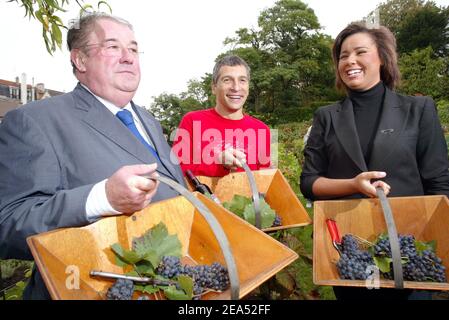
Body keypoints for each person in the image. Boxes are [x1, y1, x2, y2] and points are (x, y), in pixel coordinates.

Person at [0, 13, 185, 299]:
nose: (128, 57)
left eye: (133, 48)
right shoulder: (34, 120)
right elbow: (9, 225)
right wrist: (102, 199)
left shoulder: (148, 119)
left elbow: (170, 186)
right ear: (80, 60)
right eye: (112, 47)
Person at [300, 22, 449, 299]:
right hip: (350, 249)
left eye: (360, 52)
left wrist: (435, 245)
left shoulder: (418, 110)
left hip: (409, 248)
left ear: (382, 57)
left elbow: (439, 183)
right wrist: (353, 184)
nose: (350, 61)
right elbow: (309, 183)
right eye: (343, 56)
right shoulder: (326, 117)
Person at [171, 55, 271, 177]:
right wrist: (218, 163)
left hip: (246, 197)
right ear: (214, 87)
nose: (236, 87)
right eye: (227, 80)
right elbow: (176, 171)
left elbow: (264, 181)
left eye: (242, 80)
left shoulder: (261, 130)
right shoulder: (192, 121)